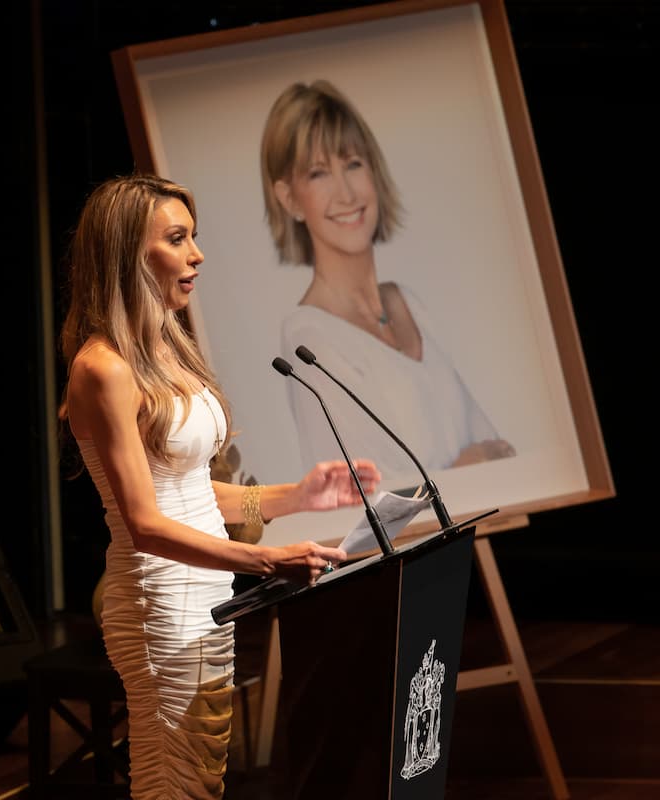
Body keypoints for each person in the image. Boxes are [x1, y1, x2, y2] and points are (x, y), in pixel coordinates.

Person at [59, 173, 380, 799]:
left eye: (194, 238)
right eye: (177, 240)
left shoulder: (165, 351)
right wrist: (264, 558)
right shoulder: (103, 368)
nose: (196, 255)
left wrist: (299, 496)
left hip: (207, 595)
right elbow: (145, 524)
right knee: (170, 781)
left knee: (201, 781)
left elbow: (191, 491)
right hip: (160, 604)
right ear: (128, 253)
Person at [260, 79, 516, 477]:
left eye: (353, 164)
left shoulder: (408, 302)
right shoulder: (307, 338)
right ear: (289, 198)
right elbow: (369, 497)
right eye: (318, 173)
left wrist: (465, 467)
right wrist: (464, 465)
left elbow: (498, 451)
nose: (345, 193)